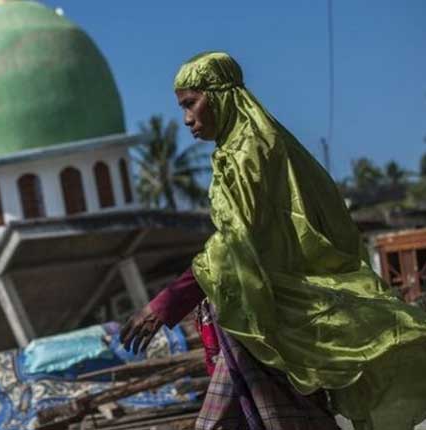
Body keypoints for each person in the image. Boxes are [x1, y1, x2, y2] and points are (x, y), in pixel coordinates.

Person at [120, 52, 426, 430]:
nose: (186, 119)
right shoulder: (240, 148)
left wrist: (168, 302)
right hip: (259, 314)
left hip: (267, 317)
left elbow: (237, 243)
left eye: (191, 103)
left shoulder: (249, 150)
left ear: (219, 95)